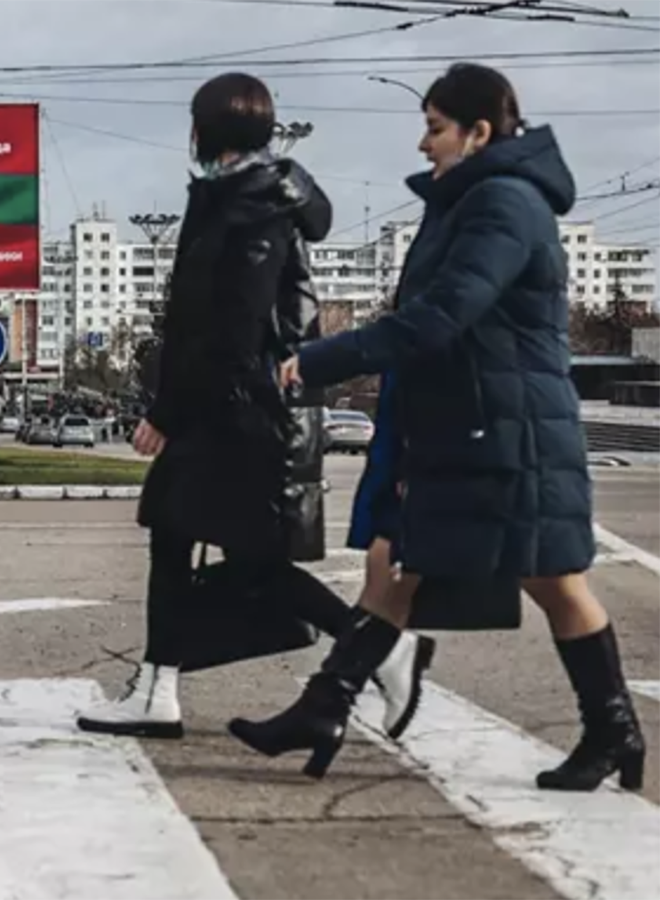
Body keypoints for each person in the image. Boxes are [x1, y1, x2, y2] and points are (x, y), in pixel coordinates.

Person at [227, 63, 646, 791]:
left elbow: (440, 316)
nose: (424, 146)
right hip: (474, 426)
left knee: (554, 580)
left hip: (510, 431)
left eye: (434, 128)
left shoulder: (505, 204)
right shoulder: (471, 203)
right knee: (396, 561)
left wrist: (320, 358)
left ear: (478, 132)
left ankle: (613, 729)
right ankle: (324, 706)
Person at [76, 72, 429, 739]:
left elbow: (230, 327)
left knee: (250, 563)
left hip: (244, 413)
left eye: (195, 122)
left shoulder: (253, 204)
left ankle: (380, 649)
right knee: (180, 541)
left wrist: (169, 411)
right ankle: (158, 690)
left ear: (210, 130)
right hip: (232, 407)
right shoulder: (233, 196)